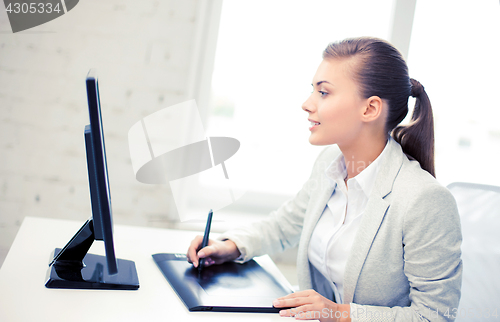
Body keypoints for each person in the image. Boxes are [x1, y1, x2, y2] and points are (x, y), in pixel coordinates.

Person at [186, 37, 462, 322]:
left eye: (324, 93)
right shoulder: (330, 164)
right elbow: (286, 225)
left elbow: (435, 316)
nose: (307, 104)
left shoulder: (424, 200)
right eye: (313, 91)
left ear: (370, 109)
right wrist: (231, 246)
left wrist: (339, 314)